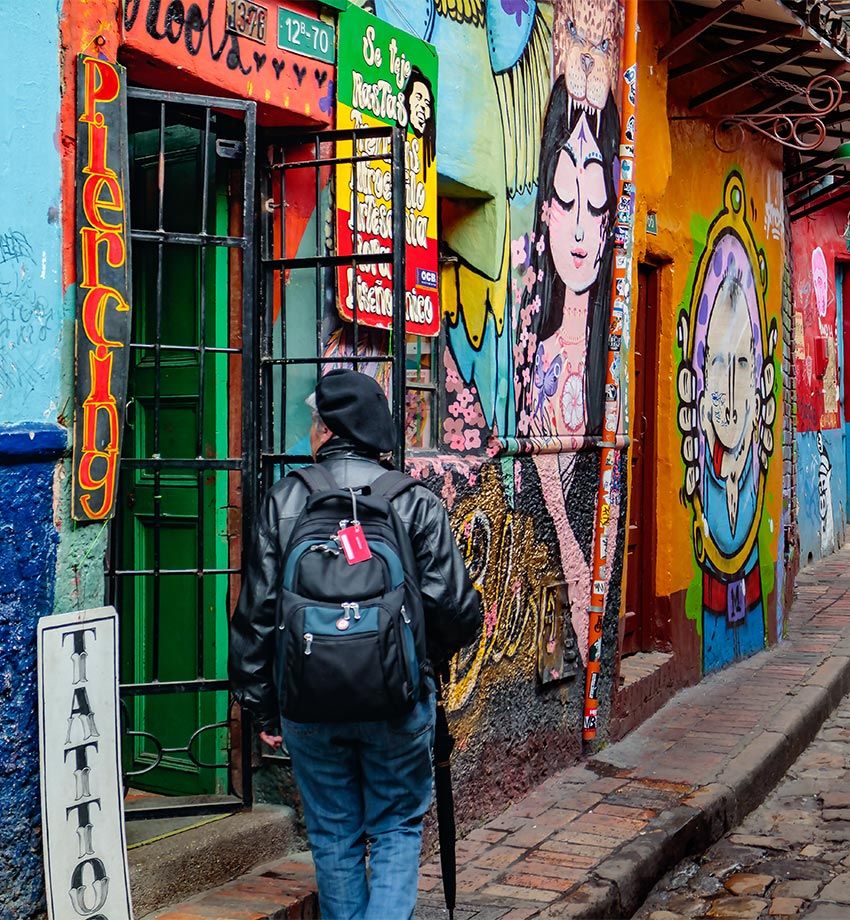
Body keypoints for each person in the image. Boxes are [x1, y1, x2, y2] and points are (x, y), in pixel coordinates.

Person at [229, 368, 481, 920]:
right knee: (395, 828)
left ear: (328, 430)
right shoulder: (413, 502)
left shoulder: (285, 500)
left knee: (334, 836)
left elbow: (257, 615)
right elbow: (459, 612)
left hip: (309, 702)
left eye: (315, 421)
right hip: (398, 701)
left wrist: (261, 705)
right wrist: (415, 660)